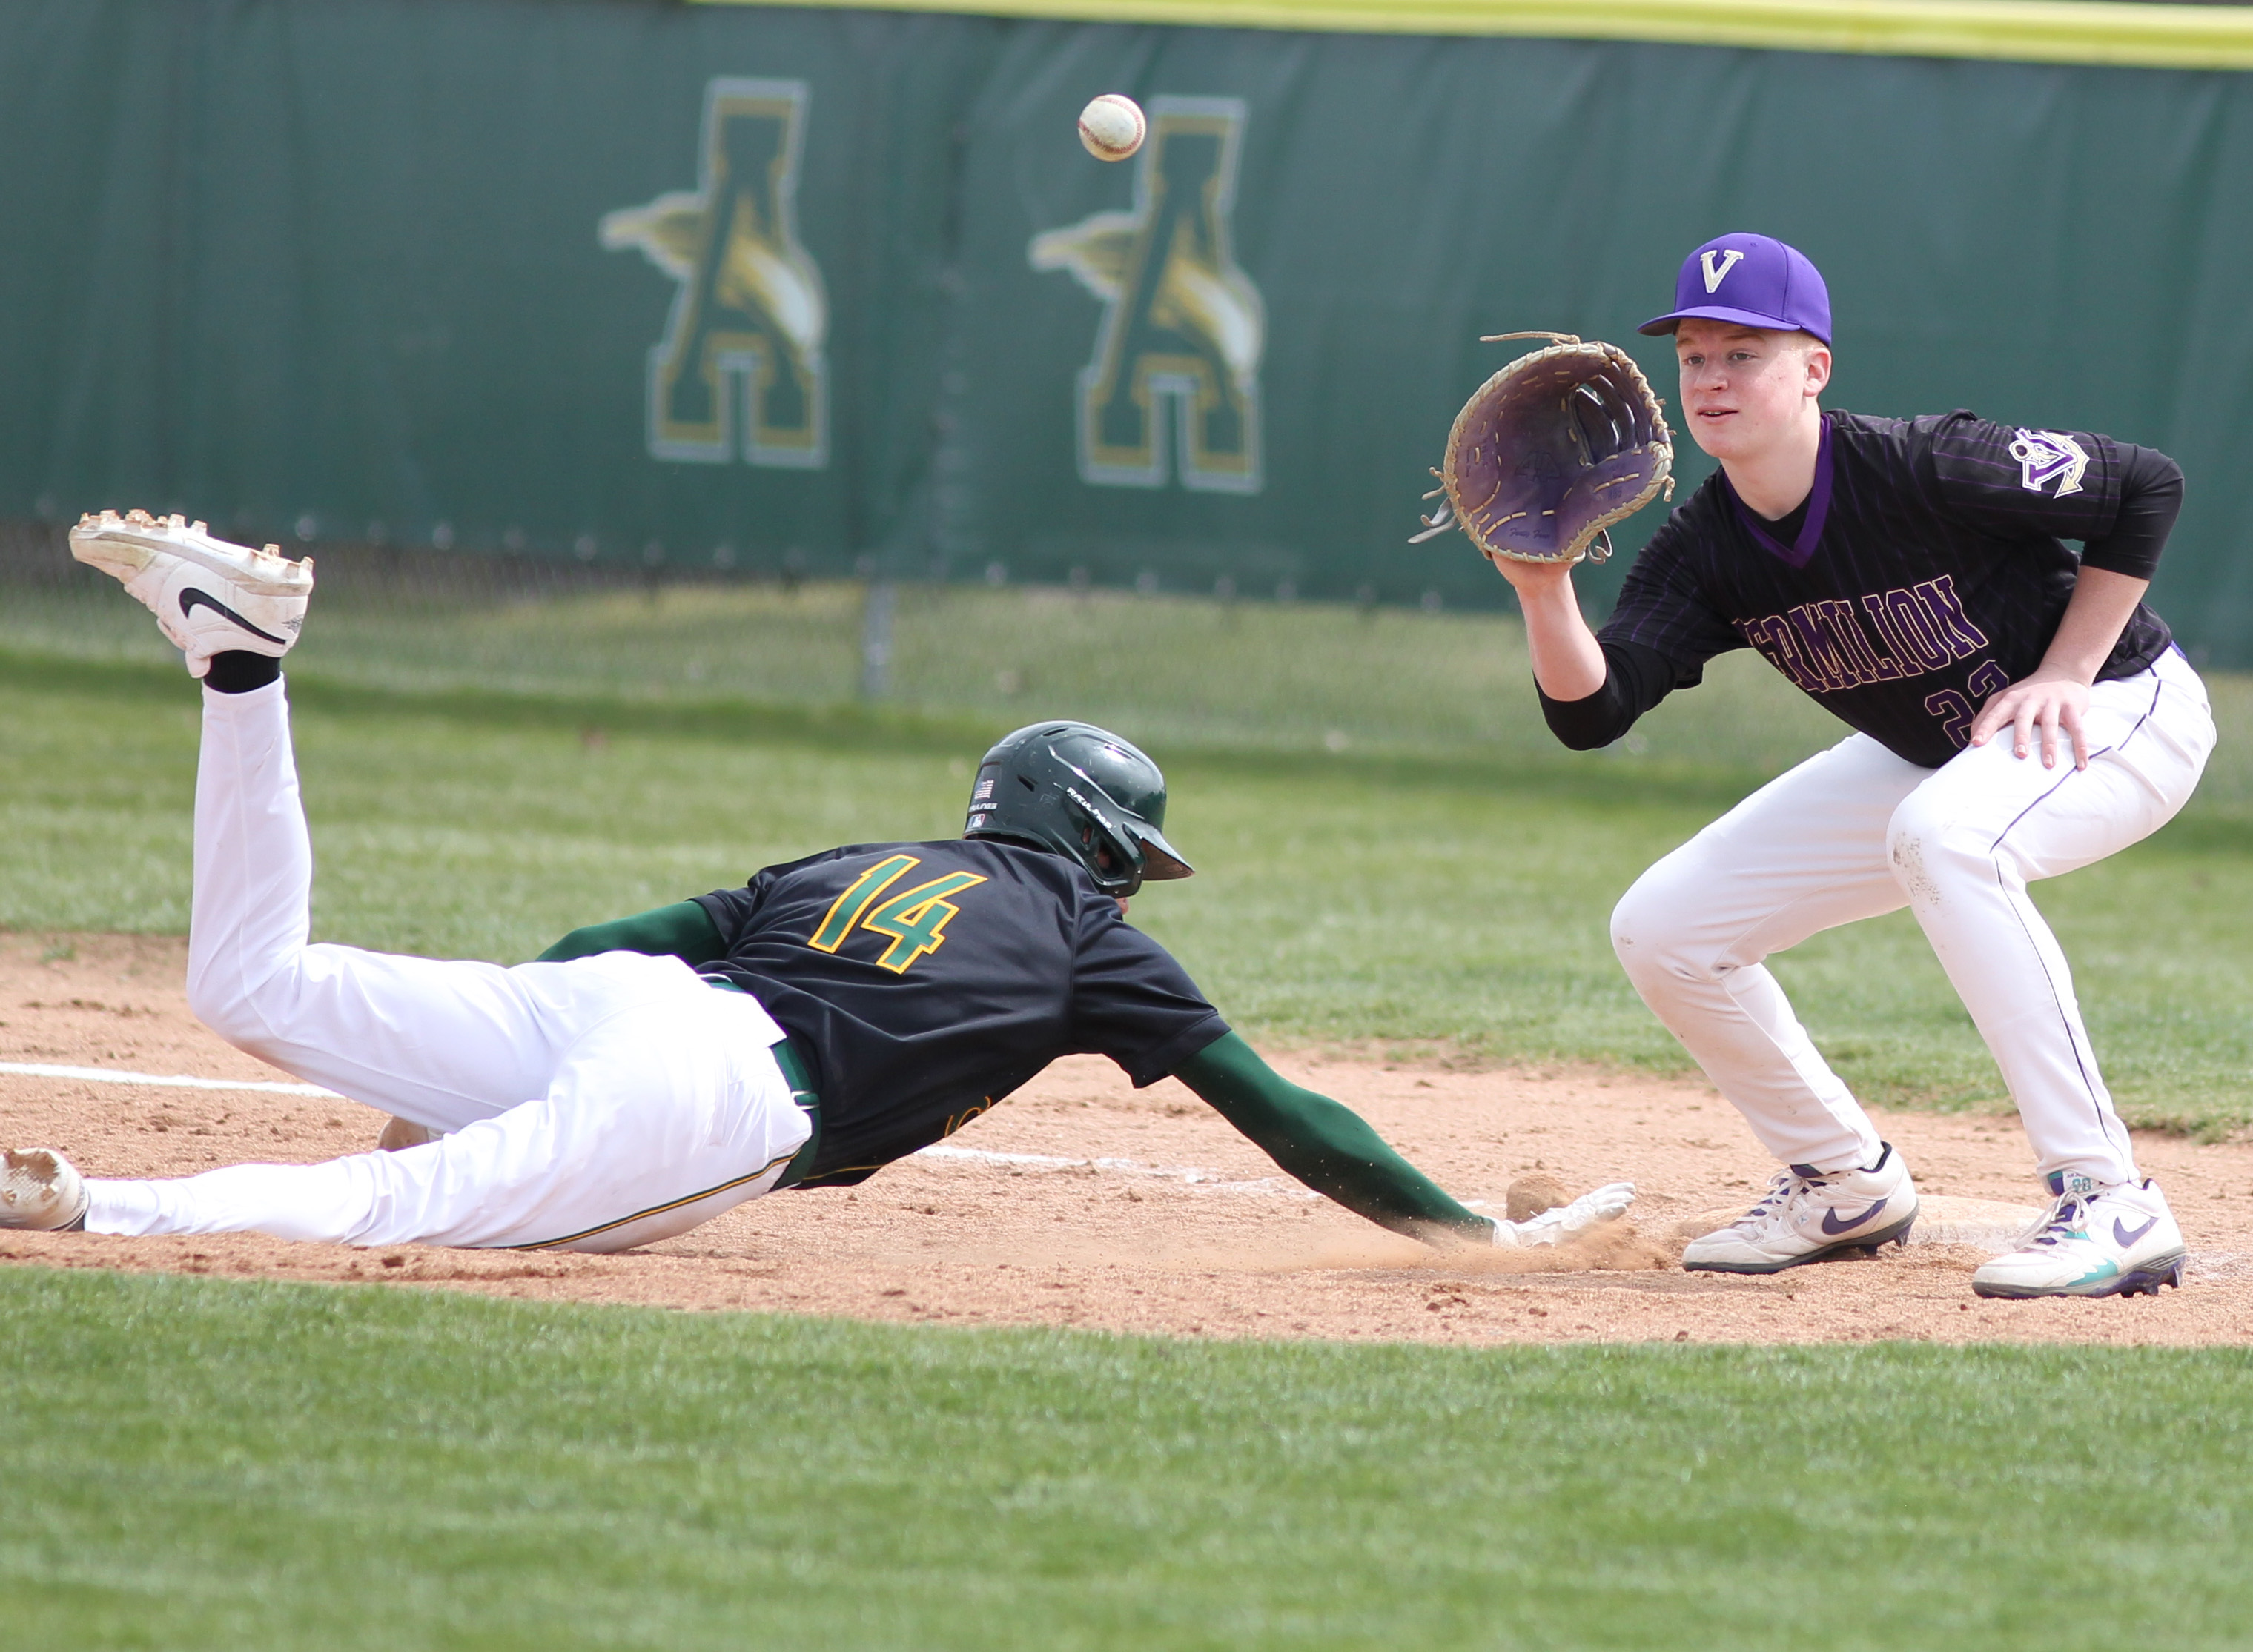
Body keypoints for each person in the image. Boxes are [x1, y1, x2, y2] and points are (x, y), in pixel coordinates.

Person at [0, 510, 1635, 1253]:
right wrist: (1462, 1230)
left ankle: (243, 674)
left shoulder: (864, 856)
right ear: (1087, 838)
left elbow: (614, 941)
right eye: (1128, 857)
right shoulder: (1081, 937)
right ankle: (89, 1203)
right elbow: (1286, 1113)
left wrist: (482, 1051)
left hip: (619, 1006)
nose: (1133, 890)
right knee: (402, 1209)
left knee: (253, 986)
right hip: (713, 1100)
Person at [1479, 233, 2214, 1300]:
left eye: (1746, 353)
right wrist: (1542, 590)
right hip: (1943, 751)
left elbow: (2143, 484)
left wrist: (2068, 667)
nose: (1714, 379)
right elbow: (1596, 711)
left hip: (2123, 709)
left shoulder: (1924, 464)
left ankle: (2112, 1199)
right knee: (1666, 926)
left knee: (1947, 834)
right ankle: (1841, 1182)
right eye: (1696, 356)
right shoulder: (1704, 549)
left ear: (1814, 366)